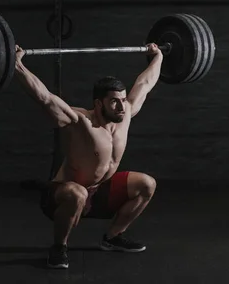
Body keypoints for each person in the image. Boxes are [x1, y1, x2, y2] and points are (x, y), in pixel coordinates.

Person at [14, 43, 162, 269]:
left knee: (147, 184)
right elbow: (45, 98)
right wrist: (16, 64)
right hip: (64, 195)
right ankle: (59, 247)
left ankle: (112, 238)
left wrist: (158, 57)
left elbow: (146, 83)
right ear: (98, 103)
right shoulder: (80, 121)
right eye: (114, 101)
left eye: (122, 99)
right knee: (78, 193)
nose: (121, 105)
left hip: (99, 191)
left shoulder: (126, 114)